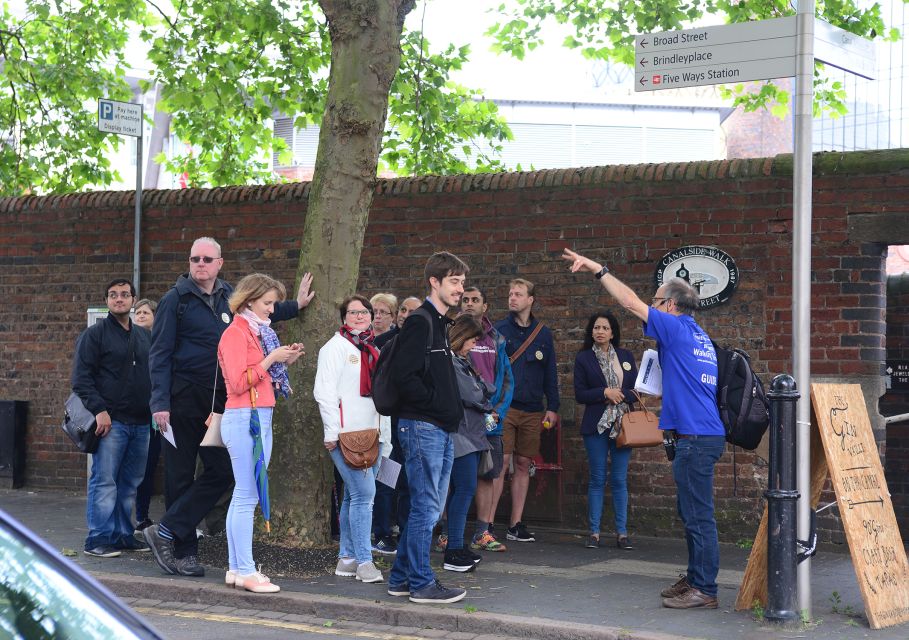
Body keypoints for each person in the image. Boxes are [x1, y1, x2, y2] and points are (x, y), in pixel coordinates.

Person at [563, 248, 725, 610]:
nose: (651, 307)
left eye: (657, 300)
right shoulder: (699, 336)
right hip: (701, 436)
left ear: (669, 304)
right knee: (691, 513)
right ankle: (696, 578)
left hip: (695, 440)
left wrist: (598, 268)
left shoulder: (675, 325)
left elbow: (630, 302)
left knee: (699, 515)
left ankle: (706, 589)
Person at [145, 237, 314, 578]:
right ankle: (183, 551)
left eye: (207, 258)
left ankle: (167, 529)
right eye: (195, 259)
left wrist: (296, 304)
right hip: (182, 401)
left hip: (221, 402)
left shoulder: (229, 297)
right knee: (179, 475)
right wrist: (160, 403)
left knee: (223, 472)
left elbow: (263, 309)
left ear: (220, 263)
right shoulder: (174, 300)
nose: (200, 264)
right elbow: (159, 353)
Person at [387, 251, 468, 604]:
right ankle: (422, 583)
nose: (460, 288)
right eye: (453, 281)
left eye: (462, 282)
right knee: (425, 506)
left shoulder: (440, 322)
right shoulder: (421, 321)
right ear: (434, 282)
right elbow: (405, 376)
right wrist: (434, 402)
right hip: (423, 426)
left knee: (430, 507)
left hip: (438, 427)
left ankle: (402, 577)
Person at [218, 273, 304, 593]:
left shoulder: (255, 331)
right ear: (249, 300)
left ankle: (236, 568)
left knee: (243, 495)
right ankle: (246, 571)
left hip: (253, 418)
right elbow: (240, 383)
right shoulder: (236, 333)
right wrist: (272, 359)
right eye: (268, 302)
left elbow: (258, 377)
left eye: (274, 303)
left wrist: (284, 359)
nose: (272, 309)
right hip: (246, 419)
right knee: (247, 496)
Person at [314, 295, 391, 585]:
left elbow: (382, 397)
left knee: (353, 495)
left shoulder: (373, 349)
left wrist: (386, 435)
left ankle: (346, 559)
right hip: (346, 436)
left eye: (364, 312)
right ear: (344, 317)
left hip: (374, 434)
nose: (360, 316)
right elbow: (324, 393)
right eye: (353, 312)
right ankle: (364, 562)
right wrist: (332, 432)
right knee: (365, 495)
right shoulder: (334, 348)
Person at [71, 279, 151, 558]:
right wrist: (99, 410)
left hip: (141, 423)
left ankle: (122, 535)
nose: (120, 299)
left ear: (133, 299)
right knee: (105, 481)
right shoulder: (94, 335)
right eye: (114, 295)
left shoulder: (143, 336)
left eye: (125, 295)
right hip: (111, 422)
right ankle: (97, 539)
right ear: (106, 300)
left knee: (130, 484)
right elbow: (81, 380)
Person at [494, 278, 560, 543]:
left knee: (523, 464)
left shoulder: (543, 334)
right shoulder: (499, 330)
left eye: (518, 294)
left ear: (530, 299)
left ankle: (515, 523)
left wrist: (552, 407)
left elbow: (550, 373)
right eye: (510, 294)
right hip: (506, 408)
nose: (513, 298)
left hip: (533, 409)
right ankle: (486, 525)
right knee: (501, 464)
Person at [573, 311, 638, 550]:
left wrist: (621, 394)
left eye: (605, 328)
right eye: (596, 327)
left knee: (620, 479)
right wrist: (604, 393)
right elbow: (580, 394)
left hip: (623, 425)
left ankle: (622, 533)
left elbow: (636, 391)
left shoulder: (626, 356)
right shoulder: (583, 359)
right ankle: (594, 532)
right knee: (598, 478)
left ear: (613, 333)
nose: (600, 331)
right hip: (596, 425)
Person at [461, 286, 513, 553]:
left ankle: (482, 532)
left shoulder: (497, 339)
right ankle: (449, 533)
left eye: (475, 300)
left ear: (485, 306)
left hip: (490, 420)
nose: (469, 304)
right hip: (462, 421)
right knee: (454, 477)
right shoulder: (451, 335)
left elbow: (506, 381)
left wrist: (496, 413)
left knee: (487, 476)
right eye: (465, 300)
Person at [443, 314, 494, 572]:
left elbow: (487, 388)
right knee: (463, 489)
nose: (474, 345)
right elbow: (476, 393)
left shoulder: (462, 361)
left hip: (470, 434)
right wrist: (482, 391)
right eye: (472, 340)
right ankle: (453, 549)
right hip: (461, 435)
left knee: (463, 490)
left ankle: (456, 545)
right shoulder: (452, 363)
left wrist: (482, 390)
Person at [132, 298, 160, 534]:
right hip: (130, 415)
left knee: (148, 468)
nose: (140, 316)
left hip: (153, 417)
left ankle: (142, 517)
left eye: (145, 312)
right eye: (137, 312)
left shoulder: (159, 343)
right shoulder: (128, 341)